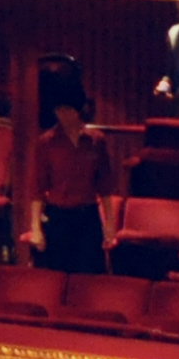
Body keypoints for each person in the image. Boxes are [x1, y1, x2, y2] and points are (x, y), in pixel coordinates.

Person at [34, 99, 113, 273]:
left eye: (68, 109)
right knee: (58, 275)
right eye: (59, 110)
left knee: (90, 276)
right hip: (58, 216)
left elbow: (105, 185)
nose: (63, 115)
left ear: (79, 110)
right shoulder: (47, 142)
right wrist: (35, 227)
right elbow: (38, 188)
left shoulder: (96, 140)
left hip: (88, 215)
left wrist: (109, 223)